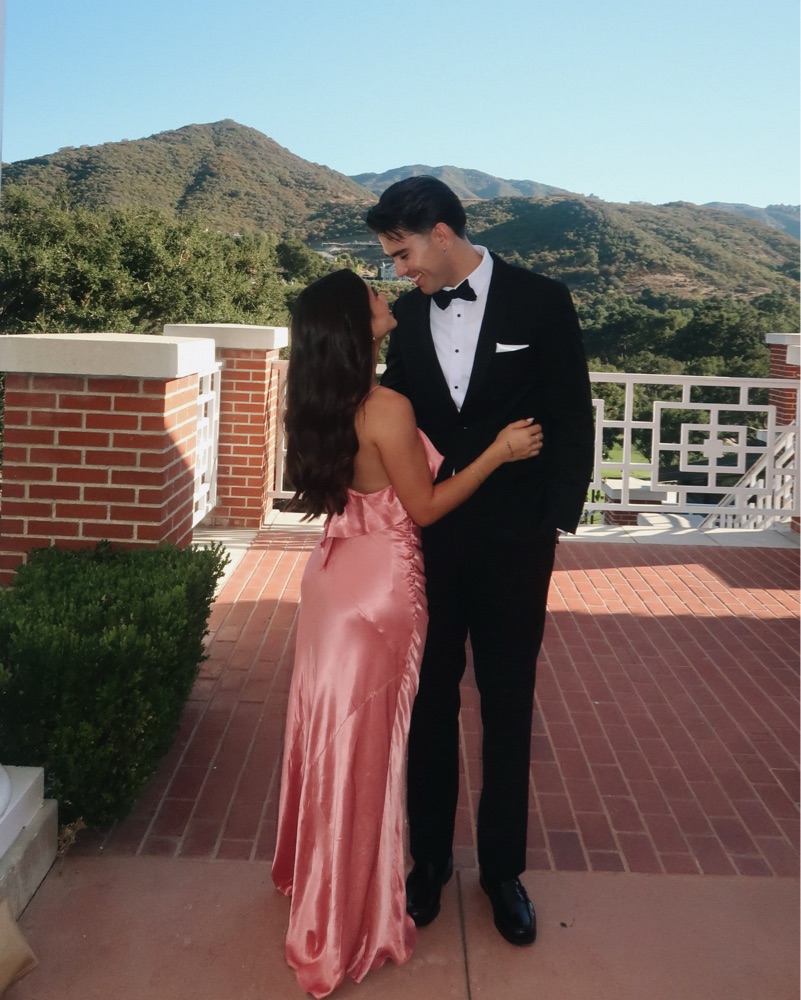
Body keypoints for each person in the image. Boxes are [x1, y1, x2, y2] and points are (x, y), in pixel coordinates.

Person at [271, 268, 544, 998]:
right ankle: (342, 911)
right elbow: (423, 508)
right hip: (378, 595)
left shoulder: (316, 397)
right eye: (370, 294)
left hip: (332, 580)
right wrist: (498, 452)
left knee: (326, 735)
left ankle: (316, 875)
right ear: (353, 324)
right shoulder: (385, 406)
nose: (384, 294)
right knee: (366, 750)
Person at [365, 177, 595, 947]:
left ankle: (502, 872)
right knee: (428, 704)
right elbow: (391, 414)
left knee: (507, 702)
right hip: (427, 541)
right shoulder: (405, 317)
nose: (399, 270)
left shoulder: (541, 300)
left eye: (402, 253)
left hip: (516, 543)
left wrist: (550, 522)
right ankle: (427, 863)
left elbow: (571, 414)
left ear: (439, 233)